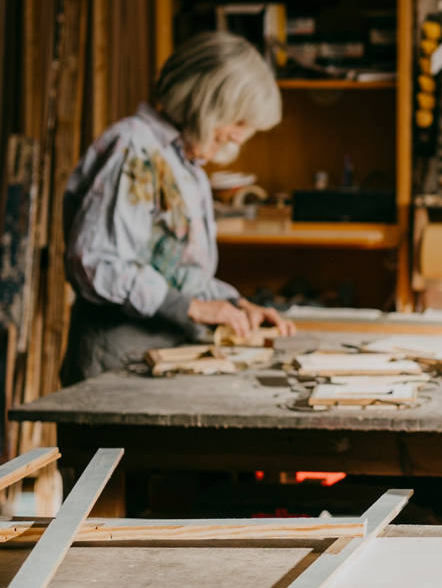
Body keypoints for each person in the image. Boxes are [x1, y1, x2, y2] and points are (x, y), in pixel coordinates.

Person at [59, 31, 296, 383]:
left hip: (156, 359)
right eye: (235, 125)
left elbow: (178, 273)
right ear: (206, 106)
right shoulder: (135, 149)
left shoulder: (186, 166)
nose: (236, 139)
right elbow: (96, 263)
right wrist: (191, 307)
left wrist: (235, 306)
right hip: (115, 364)